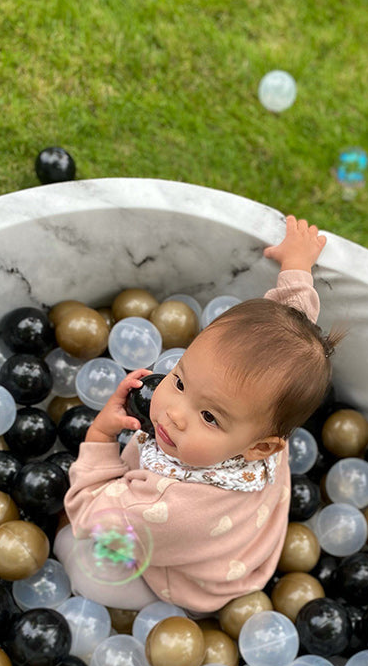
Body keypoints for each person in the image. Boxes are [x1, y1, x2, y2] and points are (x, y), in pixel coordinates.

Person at [56, 215, 341, 614]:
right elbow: (291, 326)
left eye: (209, 417)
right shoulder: (263, 415)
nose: (174, 414)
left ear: (262, 447)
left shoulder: (161, 505)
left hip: (192, 581)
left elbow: (88, 514)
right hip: (245, 540)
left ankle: (185, 612)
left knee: (73, 551)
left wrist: (100, 435)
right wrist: (297, 267)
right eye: (181, 381)